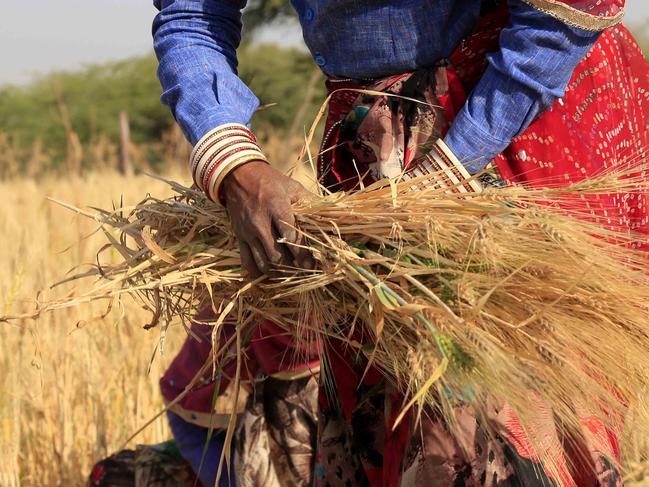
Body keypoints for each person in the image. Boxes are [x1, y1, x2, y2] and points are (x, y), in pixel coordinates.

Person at [90, 0, 649, 486]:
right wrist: (231, 161)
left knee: (482, 443)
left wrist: (448, 174)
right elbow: (192, 14)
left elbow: (557, 19)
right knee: (391, 429)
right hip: (371, 153)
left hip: (511, 118)